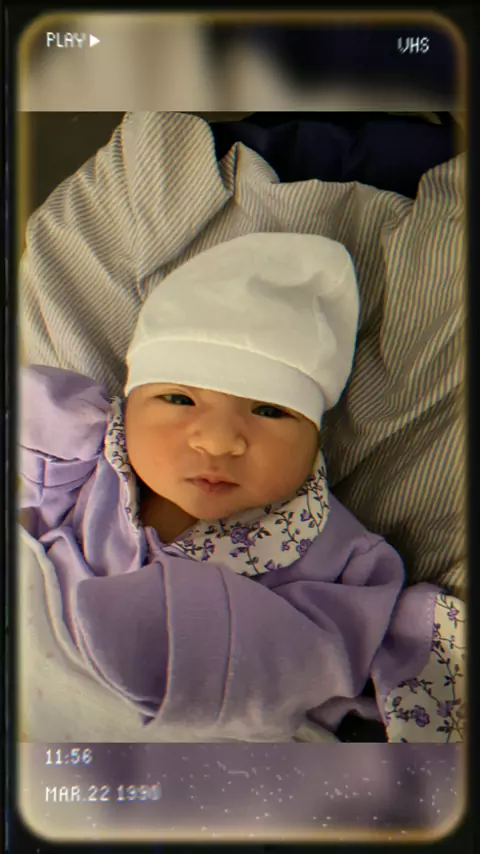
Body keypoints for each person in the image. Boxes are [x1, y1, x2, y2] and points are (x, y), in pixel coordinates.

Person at [18, 232, 466, 743]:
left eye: (269, 410)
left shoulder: (342, 555)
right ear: (127, 406)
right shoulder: (78, 460)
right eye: (179, 399)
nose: (218, 441)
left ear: (315, 441)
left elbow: (355, 653)